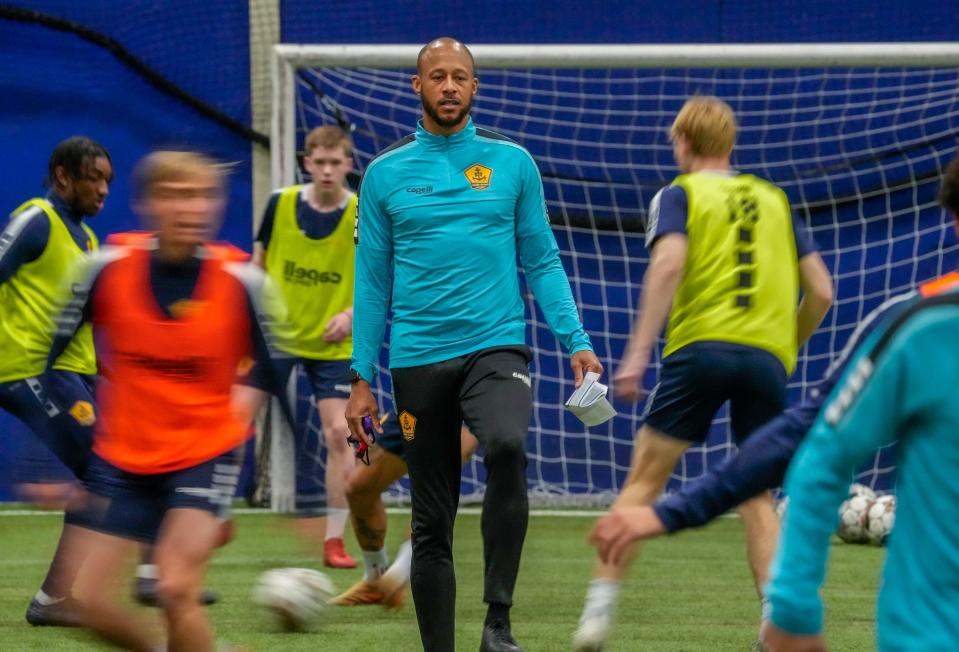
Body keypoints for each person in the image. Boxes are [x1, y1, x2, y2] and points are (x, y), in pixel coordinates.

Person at [346, 36, 604, 652]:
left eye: (460, 76)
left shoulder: (512, 164)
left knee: (508, 445)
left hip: (496, 347)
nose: (449, 86)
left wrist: (577, 341)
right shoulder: (384, 176)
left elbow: (541, 260)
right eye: (437, 76)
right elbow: (373, 282)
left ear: (474, 87)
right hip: (416, 360)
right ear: (418, 86)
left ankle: (498, 623)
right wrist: (360, 376)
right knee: (432, 519)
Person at [573, 96, 833, 651]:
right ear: (732, 146)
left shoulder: (679, 192)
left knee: (645, 480)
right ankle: (774, 622)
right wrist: (783, 347)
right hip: (764, 359)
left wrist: (637, 354)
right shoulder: (775, 198)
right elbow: (823, 291)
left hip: (699, 350)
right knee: (757, 494)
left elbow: (668, 263)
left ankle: (597, 614)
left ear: (684, 145)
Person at [53, 150, 282, 652]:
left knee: (175, 587)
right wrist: (68, 434)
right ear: (149, 203)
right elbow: (53, 353)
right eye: (177, 196)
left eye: (202, 196)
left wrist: (240, 413)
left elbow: (271, 365)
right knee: (88, 601)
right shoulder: (105, 270)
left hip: (205, 452)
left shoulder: (243, 281)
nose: (191, 208)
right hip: (125, 457)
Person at [760, 158, 959, 652]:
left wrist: (792, 606)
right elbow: (822, 461)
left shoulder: (916, 328)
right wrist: (792, 607)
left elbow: (820, 461)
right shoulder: (920, 329)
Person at [0, 136, 112, 627]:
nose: (104, 189)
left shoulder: (86, 240)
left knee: (114, 472)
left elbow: (76, 322)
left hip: (69, 372)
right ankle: (54, 600)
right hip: (28, 370)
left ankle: (59, 597)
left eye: (109, 179)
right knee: (107, 472)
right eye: (94, 177)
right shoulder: (37, 219)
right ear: (63, 176)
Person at [253, 125, 359, 568]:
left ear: (348, 164)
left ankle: (334, 539)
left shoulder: (360, 214)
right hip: (277, 334)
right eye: (321, 162)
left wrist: (351, 314)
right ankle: (212, 511)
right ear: (307, 162)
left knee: (341, 433)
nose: (329, 170)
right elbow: (256, 262)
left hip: (332, 341)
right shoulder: (279, 203)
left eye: (337, 162)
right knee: (232, 414)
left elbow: (379, 276)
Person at [331, 422, 477, 608]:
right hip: (413, 403)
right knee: (359, 489)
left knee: (435, 481)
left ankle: (400, 572)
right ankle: (376, 578)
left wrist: (399, 573)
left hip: (463, 407)